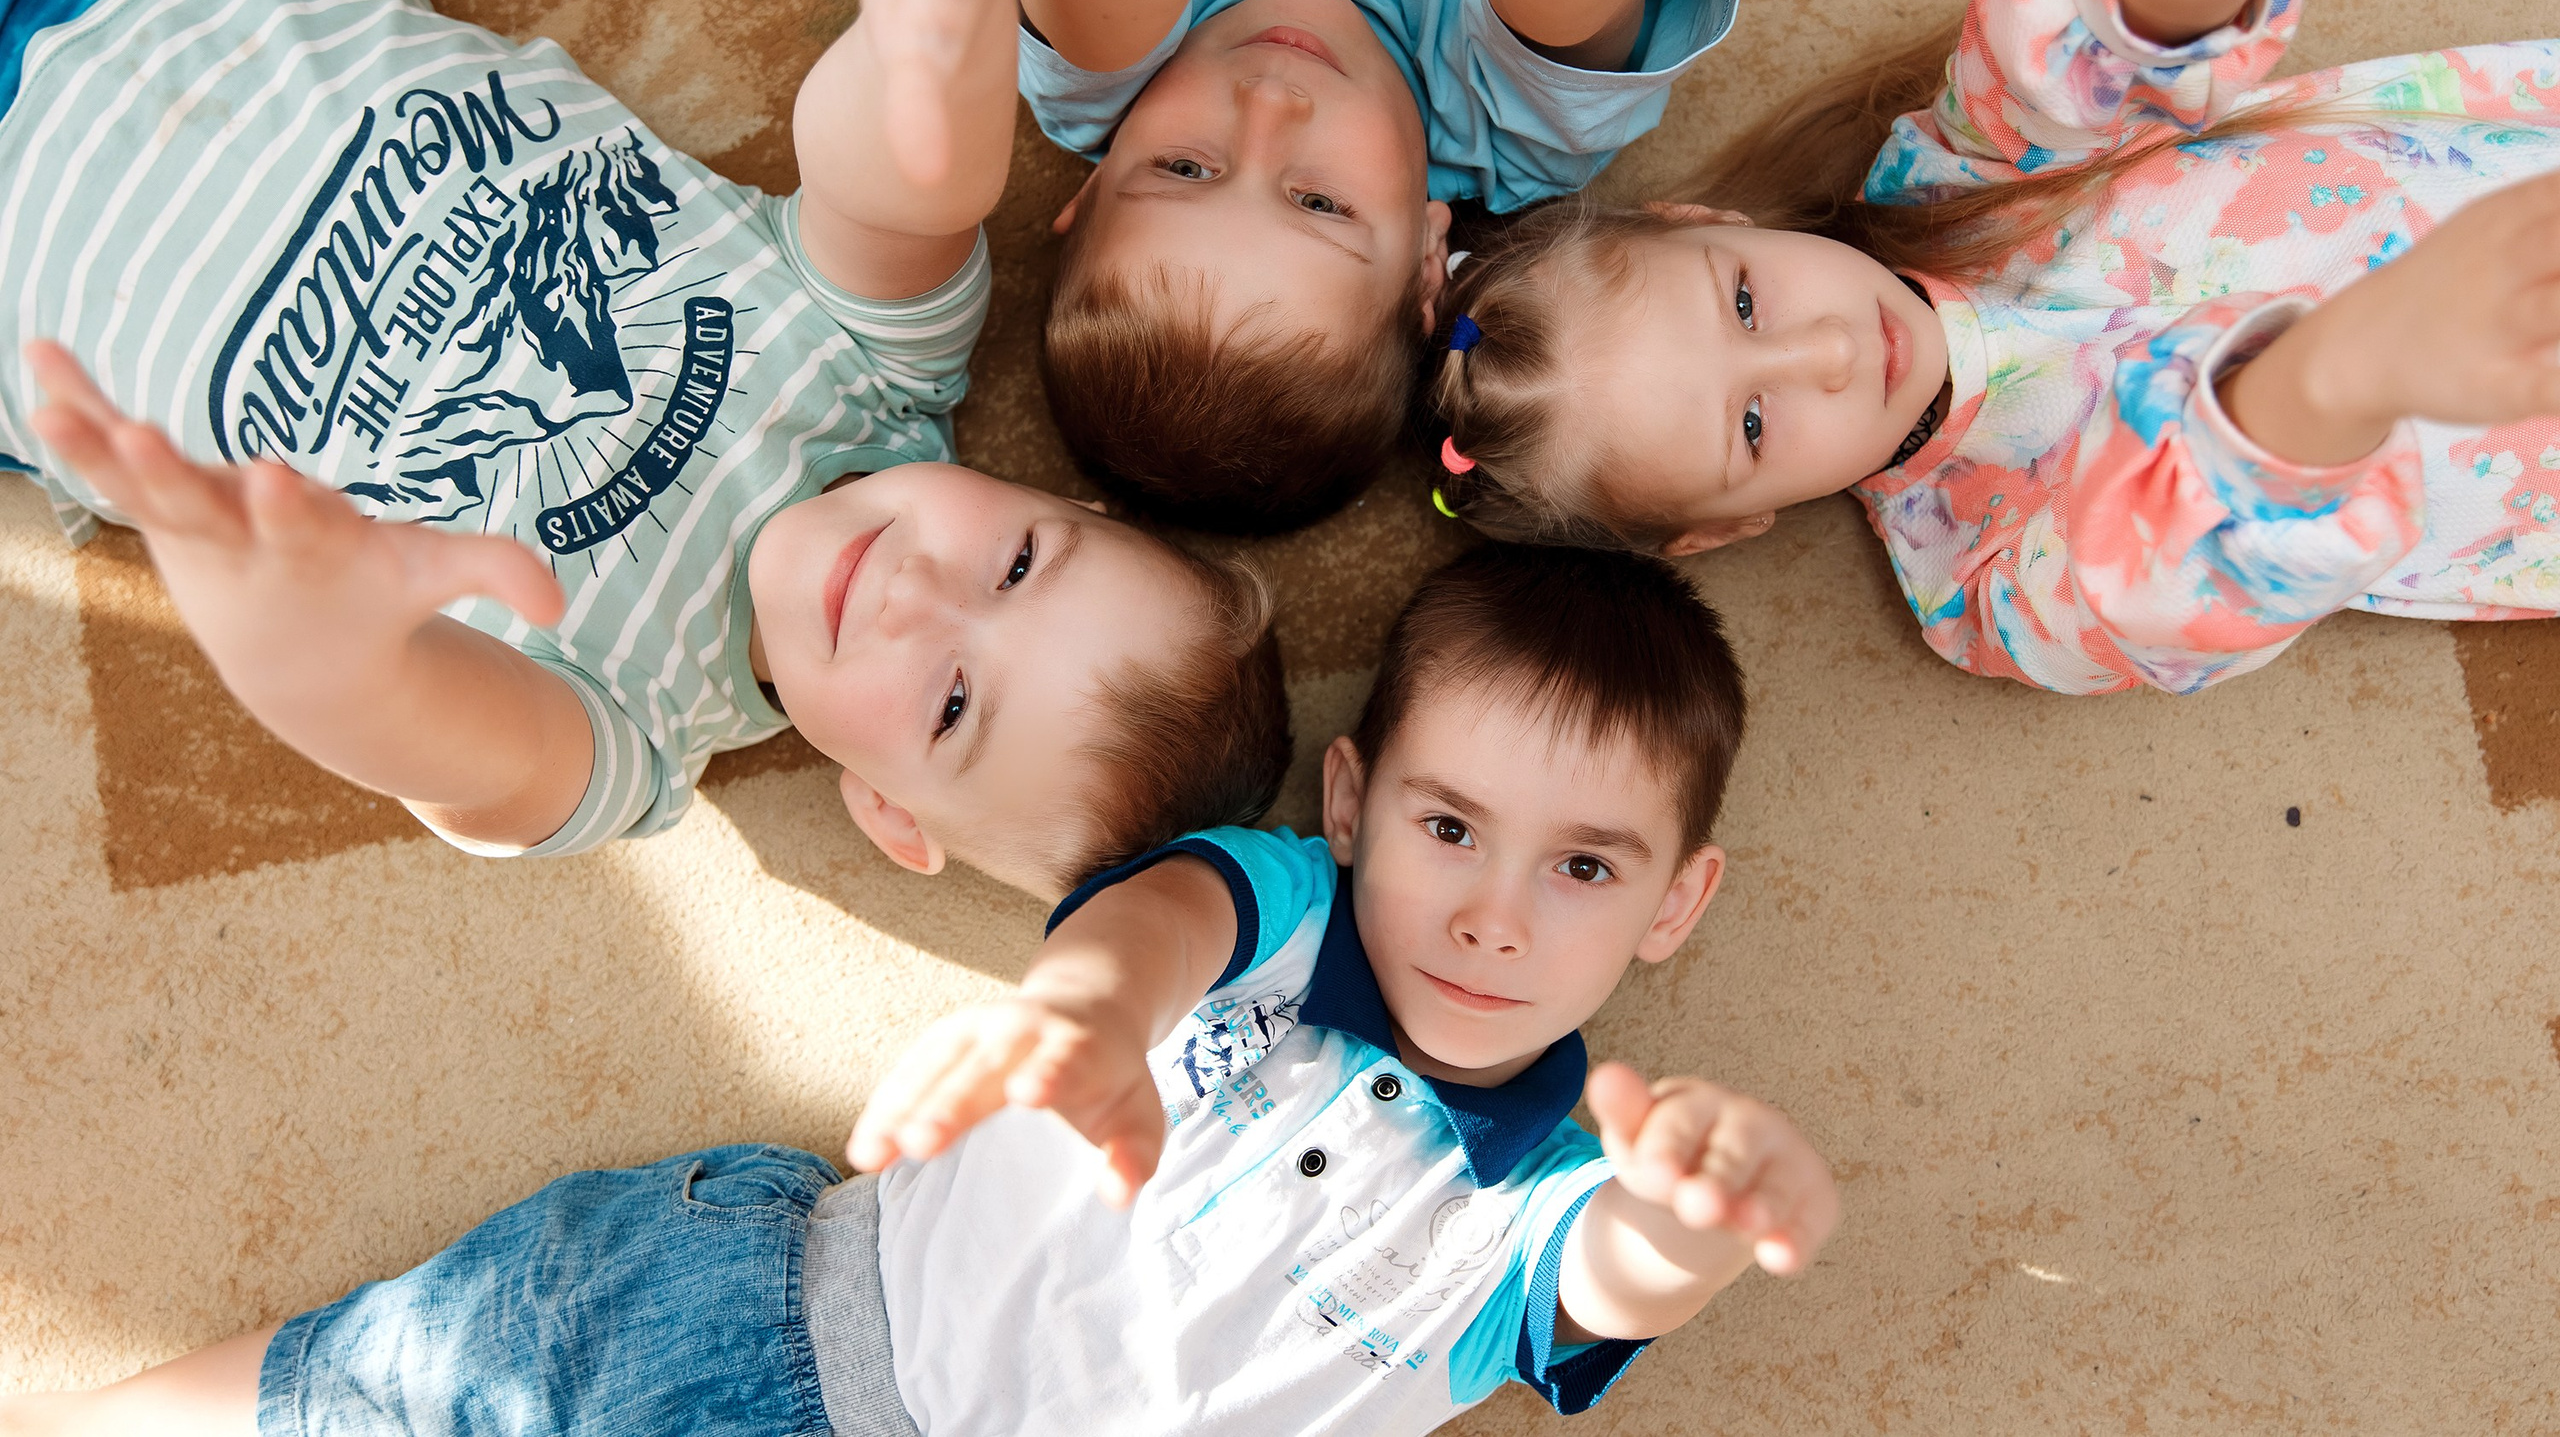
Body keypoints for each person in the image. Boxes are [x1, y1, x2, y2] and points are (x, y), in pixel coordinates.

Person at [0, 544, 1834, 1437]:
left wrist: (1695, 1212)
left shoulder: (1539, 1195)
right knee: (364, 1389)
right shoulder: (1287, 912)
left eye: (1584, 868)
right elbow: (1155, 928)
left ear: (1675, 906)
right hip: (765, 1316)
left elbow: (1604, 1280)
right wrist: (1083, 1019)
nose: (1494, 915)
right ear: (1352, 803)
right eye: (1449, 826)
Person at [0, 0, 1289, 890]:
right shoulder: (876, 370)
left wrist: (324, 661)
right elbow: (897, 181)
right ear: (1065, 504)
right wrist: (941, 8)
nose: (919, 590)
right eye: (1015, 565)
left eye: (953, 704)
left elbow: (473, 758)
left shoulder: (631, 726)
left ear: (889, 813)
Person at [1426, 0, 2560, 696]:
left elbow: (2059, 62)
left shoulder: (1951, 184)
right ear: (1723, 529)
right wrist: (2345, 376)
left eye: (1745, 302)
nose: (1827, 353)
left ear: (1699, 216)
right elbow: (2141, 589)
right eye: (1754, 425)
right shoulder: (1973, 574)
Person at [1013, 0, 1739, 531]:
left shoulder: (1109, 70)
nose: (1269, 104)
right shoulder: (1513, 131)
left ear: (1092, 184)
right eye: (1319, 203)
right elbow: (1577, 2)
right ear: (1427, 265)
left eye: (1184, 169)